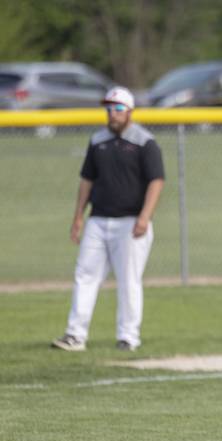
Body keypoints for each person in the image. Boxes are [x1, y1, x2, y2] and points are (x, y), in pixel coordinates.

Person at [51, 87, 165, 352]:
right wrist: (79, 216)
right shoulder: (98, 140)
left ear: (129, 111)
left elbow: (156, 181)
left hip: (130, 222)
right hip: (98, 220)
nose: (112, 114)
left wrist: (145, 217)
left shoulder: (144, 141)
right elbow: (87, 180)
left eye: (117, 108)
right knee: (85, 275)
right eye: (109, 108)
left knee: (128, 280)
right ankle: (75, 335)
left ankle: (128, 336)